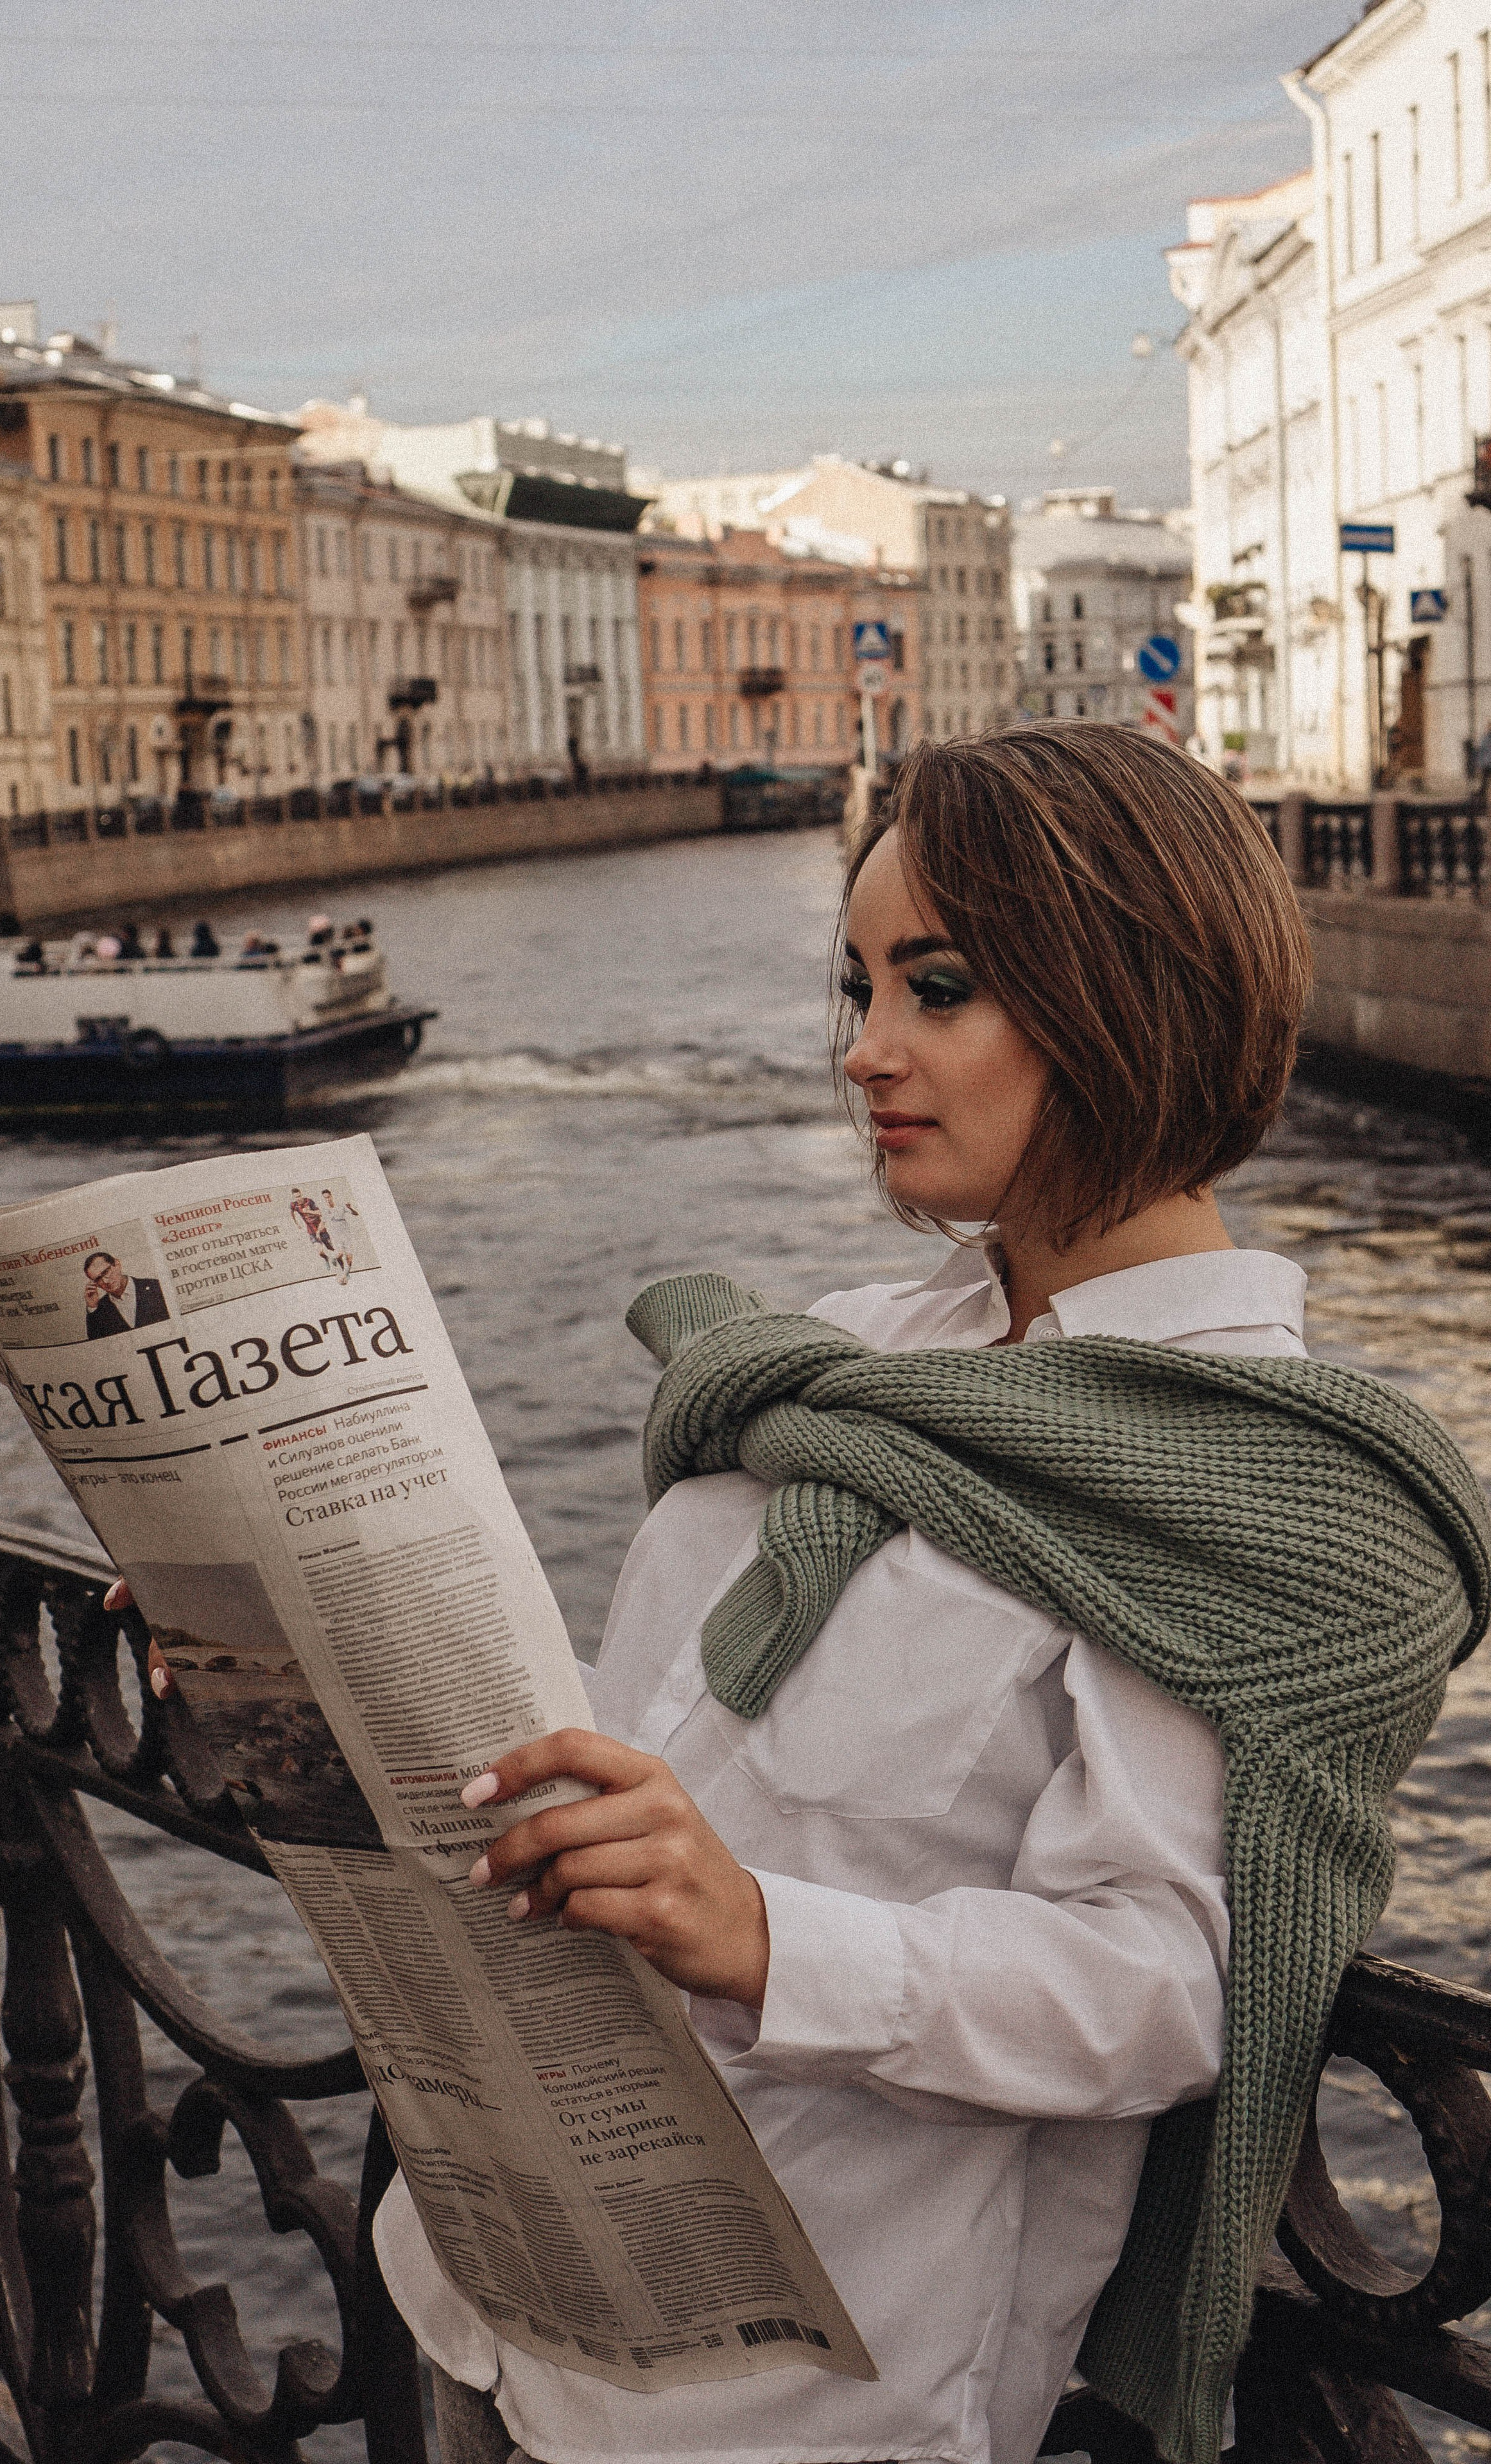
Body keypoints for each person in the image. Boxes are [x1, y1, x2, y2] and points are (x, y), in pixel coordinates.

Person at [370, 724, 1490, 2464]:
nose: (865, 1051)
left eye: (940, 989)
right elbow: (633, 1745)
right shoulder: (852, 1361)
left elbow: (1179, 1988)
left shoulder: (1264, 1497)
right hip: (503, 2298)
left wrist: (762, 1937)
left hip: (802, 2401)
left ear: (1126, 999)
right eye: (860, 984)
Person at [82, 1250, 169, 1339]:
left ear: (117, 1264)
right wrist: (92, 1308)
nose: (106, 1281)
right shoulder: (99, 1309)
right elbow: (98, 1345)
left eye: (106, 1272)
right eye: (98, 1279)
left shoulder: (156, 1287)